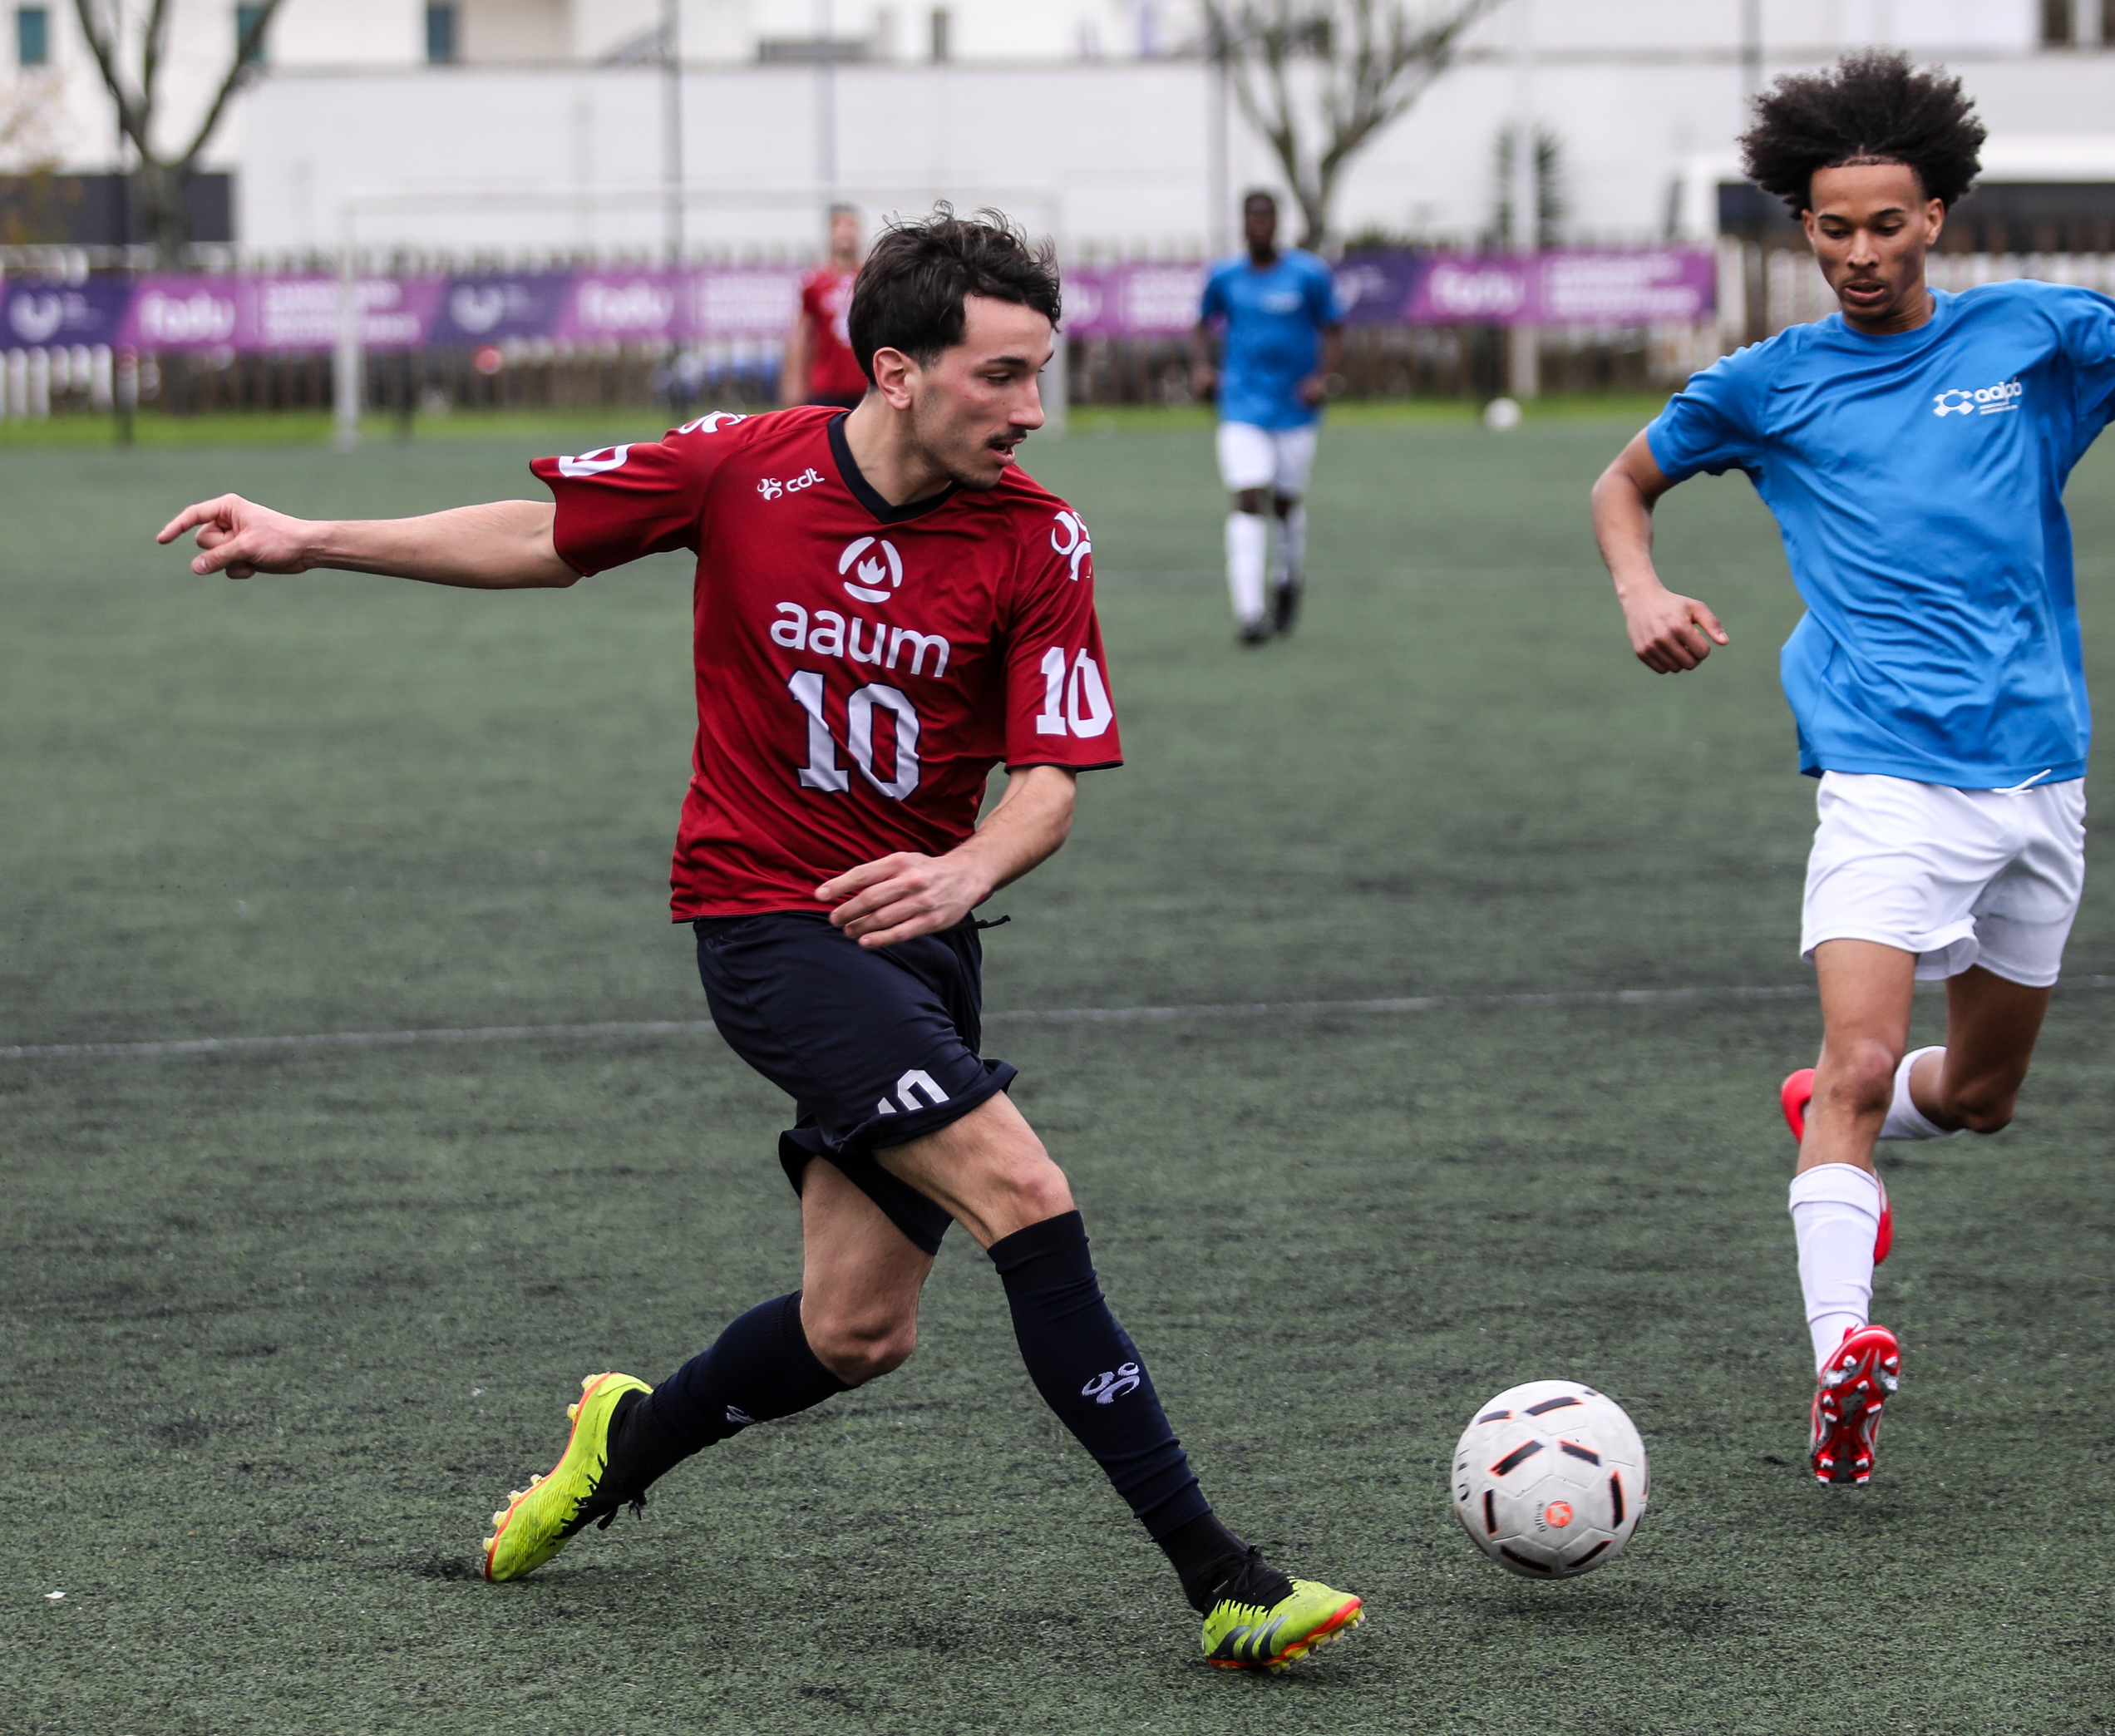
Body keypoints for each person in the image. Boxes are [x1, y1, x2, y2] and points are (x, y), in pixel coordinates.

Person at [158, 210, 1364, 1672]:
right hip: (766, 924)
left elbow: (1050, 777)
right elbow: (549, 533)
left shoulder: (1039, 535)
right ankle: (1226, 1580)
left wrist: (965, 862)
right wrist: (314, 538)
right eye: (1000, 375)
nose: (1032, 408)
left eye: (1042, 371)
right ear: (899, 369)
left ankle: (623, 1441)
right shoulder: (749, 461)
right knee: (1024, 1189)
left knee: (858, 1328)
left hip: (920, 943)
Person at [1588, 52, 2115, 1488]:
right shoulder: (1767, 384)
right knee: (1864, 1060)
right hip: (1882, 775)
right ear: (1801, 229)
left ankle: (1828, 1116)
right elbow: (1620, 482)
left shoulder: (2040, 339)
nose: (1861, 253)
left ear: (1937, 213)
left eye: (1887, 223)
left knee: (1984, 1094)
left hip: (2039, 776)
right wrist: (1641, 591)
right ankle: (1839, 1356)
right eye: (1833, 227)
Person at [1190, 189, 1343, 644]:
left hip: (1294, 407)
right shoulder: (1225, 277)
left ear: (1278, 222)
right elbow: (1201, 324)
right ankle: (1249, 611)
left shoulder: (1308, 275)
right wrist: (1203, 369)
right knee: (1247, 495)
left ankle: (1288, 578)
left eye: (1267, 217)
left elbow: (1334, 327)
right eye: (1251, 217)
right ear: (1242, 223)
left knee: (1285, 503)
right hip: (1241, 404)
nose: (1259, 225)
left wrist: (1322, 378)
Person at [781, 203, 872, 409]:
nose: (845, 232)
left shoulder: (871, 278)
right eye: (838, 226)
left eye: (851, 226)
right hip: (827, 385)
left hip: (865, 383)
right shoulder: (814, 282)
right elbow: (802, 334)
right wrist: (794, 382)